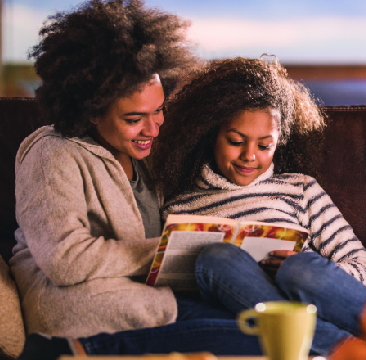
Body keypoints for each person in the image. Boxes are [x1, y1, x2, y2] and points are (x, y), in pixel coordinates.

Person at [13, 1, 265, 358]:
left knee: (272, 326)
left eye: (159, 109)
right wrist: (170, 250)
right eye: (135, 118)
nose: (153, 128)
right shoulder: (52, 155)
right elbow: (65, 261)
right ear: (92, 111)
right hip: (85, 310)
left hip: (152, 301)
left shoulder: (146, 155)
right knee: (265, 338)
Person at [148, 56, 366, 355]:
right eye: (235, 141)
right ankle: (349, 350)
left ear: (279, 141)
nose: (249, 155)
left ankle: (338, 344)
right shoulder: (177, 204)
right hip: (241, 316)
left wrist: (294, 274)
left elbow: (365, 271)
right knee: (218, 258)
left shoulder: (300, 188)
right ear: (210, 134)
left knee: (299, 269)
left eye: (264, 145)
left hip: (320, 304)